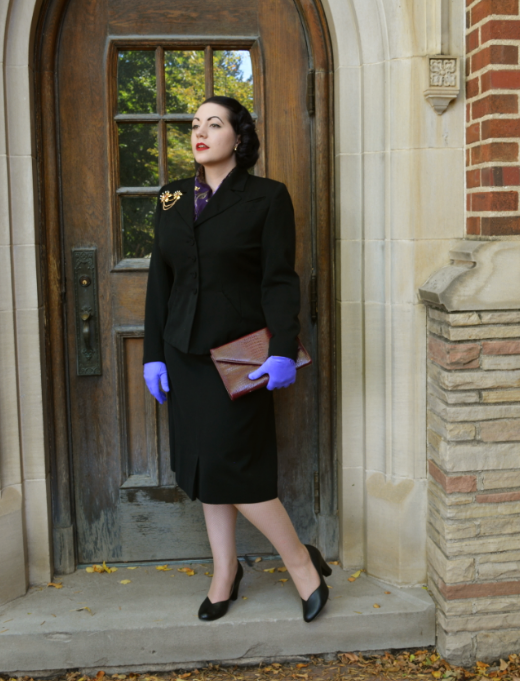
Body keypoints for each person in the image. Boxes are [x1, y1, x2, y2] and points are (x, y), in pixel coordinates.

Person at [141, 96, 331, 623]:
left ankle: (302, 564)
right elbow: (161, 279)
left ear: (238, 137)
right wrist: (153, 354)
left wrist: (282, 349)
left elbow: (279, 280)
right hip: (183, 353)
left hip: (237, 357)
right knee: (205, 468)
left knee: (235, 468)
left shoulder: (267, 197)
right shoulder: (171, 197)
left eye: (214, 124)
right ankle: (225, 571)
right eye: (194, 125)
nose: (200, 133)